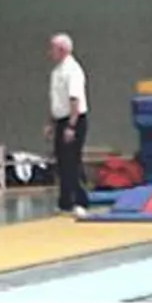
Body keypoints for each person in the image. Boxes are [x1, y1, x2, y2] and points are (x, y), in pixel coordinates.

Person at [45, 32, 89, 214]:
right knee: (62, 162)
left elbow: (74, 100)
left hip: (74, 120)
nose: (49, 52)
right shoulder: (57, 72)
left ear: (62, 50)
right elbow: (57, 100)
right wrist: (51, 122)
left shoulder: (73, 70)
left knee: (71, 161)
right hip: (60, 119)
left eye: (52, 48)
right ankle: (64, 202)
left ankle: (79, 201)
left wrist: (71, 126)